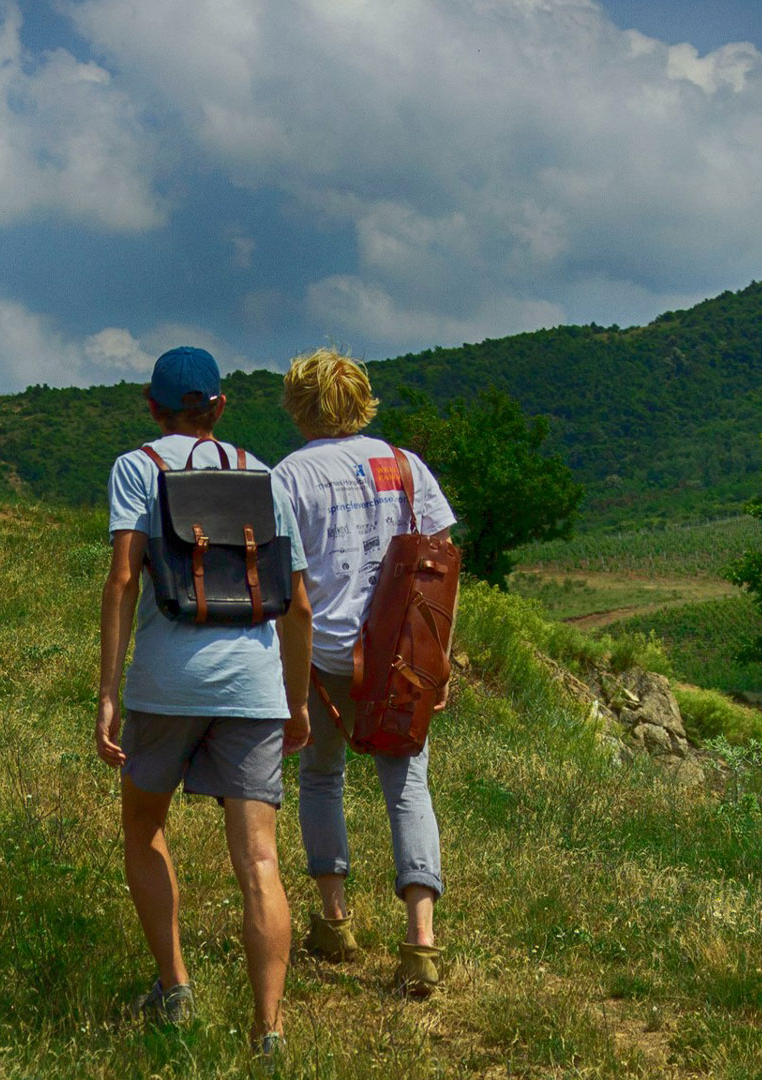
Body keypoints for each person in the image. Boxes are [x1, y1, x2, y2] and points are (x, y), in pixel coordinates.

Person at [95, 346, 313, 1060]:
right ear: (219, 407)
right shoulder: (264, 474)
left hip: (166, 680)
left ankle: (175, 984)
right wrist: (297, 700)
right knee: (259, 859)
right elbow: (299, 603)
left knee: (142, 827)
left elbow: (124, 578)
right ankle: (269, 1030)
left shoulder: (138, 468)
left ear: (151, 407)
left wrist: (106, 691)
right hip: (254, 685)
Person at [270, 347, 456, 996]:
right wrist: (439, 659)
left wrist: (289, 685)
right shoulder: (404, 465)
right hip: (398, 658)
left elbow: (277, 581)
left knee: (321, 775)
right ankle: (421, 942)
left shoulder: (289, 476)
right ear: (361, 400)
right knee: (408, 787)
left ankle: (334, 920)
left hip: (320, 657)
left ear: (300, 405)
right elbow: (441, 564)